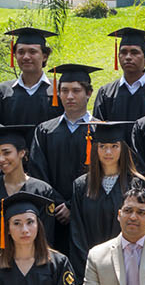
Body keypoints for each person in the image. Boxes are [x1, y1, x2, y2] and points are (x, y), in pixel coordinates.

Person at [68, 120, 145, 273]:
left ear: (123, 148)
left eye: (114, 146)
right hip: (91, 267)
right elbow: (77, 231)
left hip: (129, 266)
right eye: (103, 147)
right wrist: (88, 265)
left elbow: (143, 229)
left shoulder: (136, 184)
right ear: (95, 149)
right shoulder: (81, 186)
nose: (108, 152)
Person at [0, 124, 57, 260]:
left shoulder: (41, 190)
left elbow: (46, 234)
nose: (1, 159)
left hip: (33, 265)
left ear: (22, 153)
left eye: (6, 152)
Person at [30, 62, 99, 196]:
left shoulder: (100, 130)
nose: (70, 96)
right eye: (64, 90)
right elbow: (38, 171)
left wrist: (71, 205)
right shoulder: (45, 131)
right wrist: (56, 202)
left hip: (89, 206)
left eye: (76, 90)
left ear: (89, 93)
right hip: (52, 208)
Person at [0, 26, 57, 125]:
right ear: (15, 55)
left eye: (32, 52)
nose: (26, 57)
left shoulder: (58, 90)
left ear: (44, 56)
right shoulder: (3, 91)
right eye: (21, 52)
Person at [94, 27, 145, 122]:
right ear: (118, 56)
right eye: (123, 52)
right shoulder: (106, 93)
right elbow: (98, 128)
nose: (128, 57)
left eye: (134, 52)